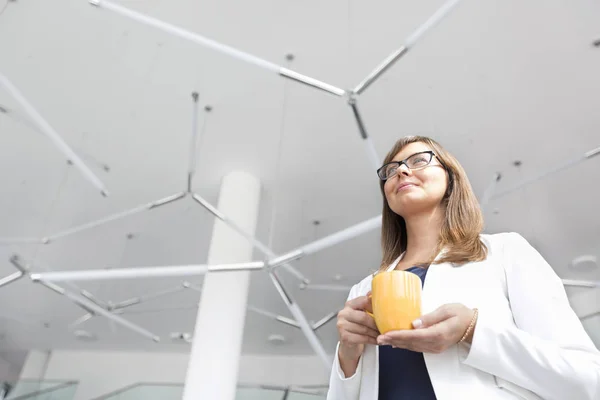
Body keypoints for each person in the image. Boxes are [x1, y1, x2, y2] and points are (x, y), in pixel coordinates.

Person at [327, 135, 600, 400]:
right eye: (391, 169)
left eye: (419, 160)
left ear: (450, 178)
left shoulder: (504, 253)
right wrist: (347, 357)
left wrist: (473, 331)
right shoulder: (363, 292)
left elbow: (587, 381)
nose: (402, 171)